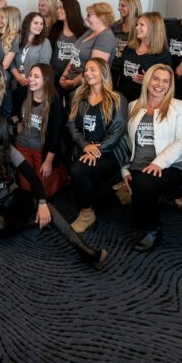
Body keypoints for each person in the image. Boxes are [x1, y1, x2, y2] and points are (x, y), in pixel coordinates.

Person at [0, 118, 108, 269]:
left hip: (10, 196)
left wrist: (42, 204)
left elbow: (33, 178)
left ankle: (85, 250)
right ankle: (31, 221)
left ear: (0, 137)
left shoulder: (9, 150)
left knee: (45, 205)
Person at [121, 64, 182, 251]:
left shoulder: (179, 107)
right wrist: (124, 170)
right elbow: (125, 141)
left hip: (170, 167)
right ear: (148, 80)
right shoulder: (133, 106)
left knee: (142, 185)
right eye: (156, 79)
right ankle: (153, 198)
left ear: (170, 85)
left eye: (165, 81)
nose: (160, 84)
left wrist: (158, 163)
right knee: (134, 215)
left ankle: (154, 230)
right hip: (138, 167)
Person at [67, 58, 129, 234]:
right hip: (85, 148)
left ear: (103, 72)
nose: (88, 73)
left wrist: (97, 150)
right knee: (85, 191)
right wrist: (86, 146)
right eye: (86, 70)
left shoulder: (118, 99)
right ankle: (117, 196)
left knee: (79, 171)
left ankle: (86, 214)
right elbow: (71, 126)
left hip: (110, 151)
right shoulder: (77, 96)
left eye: (93, 70)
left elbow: (117, 133)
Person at [12, 64, 66, 198]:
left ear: (46, 80)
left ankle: (62, 173)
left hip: (41, 149)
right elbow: (9, 110)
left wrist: (48, 161)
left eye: (36, 76)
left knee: (43, 191)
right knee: (27, 190)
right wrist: (16, 121)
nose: (31, 79)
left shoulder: (54, 100)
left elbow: (56, 134)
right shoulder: (22, 93)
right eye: (30, 75)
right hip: (22, 146)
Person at [59, 2, 117, 94]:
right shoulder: (90, 31)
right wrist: (65, 75)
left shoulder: (105, 38)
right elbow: (75, 54)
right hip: (72, 83)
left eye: (89, 15)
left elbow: (93, 69)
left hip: (86, 88)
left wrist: (73, 83)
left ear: (100, 17)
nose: (86, 18)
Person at [115, 12, 172, 103]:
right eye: (137, 24)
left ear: (153, 29)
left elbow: (166, 85)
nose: (137, 28)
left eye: (142, 25)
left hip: (144, 102)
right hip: (122, 99)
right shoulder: (129, 48)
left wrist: (149, 80)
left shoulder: (163, 56)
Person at [50, 0, 86, 96]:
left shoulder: (84, 32)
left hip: (75, 78)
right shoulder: (55, 29)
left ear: (70, 10)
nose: (58, 11)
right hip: (55, 78)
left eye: (61, 8)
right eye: (57, 8)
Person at [9, 12, 52, 88]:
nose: (39, 26)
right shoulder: (17, 39)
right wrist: (18, 77)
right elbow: (11, 61)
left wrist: (30, 80)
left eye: (41, 24)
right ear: (28, 24)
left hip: (33, 84)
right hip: (16, 82)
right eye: (36, 23)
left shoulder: (45, 42)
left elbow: (43, 66)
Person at [111, 0, 143, 67]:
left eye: (123, 6)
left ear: (133, 7)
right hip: (113, 67)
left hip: (131, 69)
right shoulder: (115, 25)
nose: (119, 8)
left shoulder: (142, 28)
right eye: (119, 5)